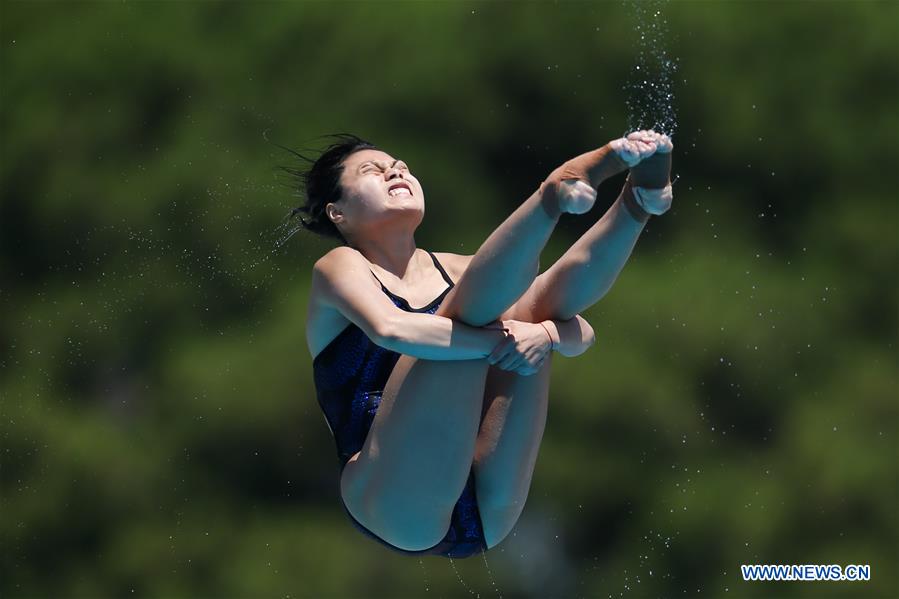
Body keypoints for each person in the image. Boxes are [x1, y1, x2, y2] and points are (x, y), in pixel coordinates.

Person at [290, 130, 673, 558]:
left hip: (486, 513)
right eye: (371, 170)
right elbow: (392, 330)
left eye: (399, 165)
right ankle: (552, 194)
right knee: (477, 312)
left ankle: (638, 203)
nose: (394, 170)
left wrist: (542, 334)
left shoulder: (469, 270)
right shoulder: (340, 267)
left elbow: (582, 333)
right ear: (337, 212)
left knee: (537, 308)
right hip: (393, 502)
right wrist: (501, 339)